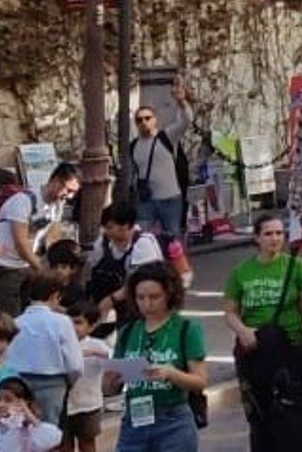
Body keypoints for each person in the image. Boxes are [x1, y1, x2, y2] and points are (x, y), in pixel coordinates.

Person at [222, 213, 302, 452]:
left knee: (292, 412)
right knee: (260, 414)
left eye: (279, 233)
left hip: (291, 346)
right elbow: (230, 312)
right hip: (256, 349)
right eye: (268, 234)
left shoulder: (296, 266)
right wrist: (243, 331)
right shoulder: (241, 271)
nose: (275, 239)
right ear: (257, 238)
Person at [107, 263, 206, 452]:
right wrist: (110, 378)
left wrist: (171, 374)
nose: (147, 304)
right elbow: (110, 387)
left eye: (154, 297)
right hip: (135, 418)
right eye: (140, 298)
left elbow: (200, 381)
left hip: (173, 420)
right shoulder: (128, 331)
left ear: (169, 294)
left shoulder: (186, 328)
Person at [0, 165, 81, 318]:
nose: (69, 196)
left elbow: (52, 237)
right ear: (55, 180)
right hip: (3, 266)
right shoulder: (23, 201)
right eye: (68, 190)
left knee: (34, 312)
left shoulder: (57, 206)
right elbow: (21, 243)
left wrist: (55, 265)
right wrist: (42, 269)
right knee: (13, 319)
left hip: (25, 266)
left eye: (74, 193)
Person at [3, 271, 83, 425]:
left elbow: (7, 358)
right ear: (55, 296)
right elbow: (75, 364)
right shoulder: (62, 322)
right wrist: (69, 381)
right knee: (47, 430)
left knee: (18, 428)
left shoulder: (16, 322)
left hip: (18, 382)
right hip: (52, 383)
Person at [84, 203, 163, 332]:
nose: (106, 231)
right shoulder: (103, 243)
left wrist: (110, 301)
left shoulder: (143, 243)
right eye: (105, 227)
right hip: (106, 307)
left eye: (110, 227)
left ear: (125, 226)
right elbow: (90, 270)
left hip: (136, 308)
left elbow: (139, 282)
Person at [128, 89, 192, 240]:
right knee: (141, 237)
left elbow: (186, 120)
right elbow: (134, 171)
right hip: (145, 201)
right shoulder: (134, 145)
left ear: (155, 120)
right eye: (139, 120)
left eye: (147, 118)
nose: (143, 122)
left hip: (170, 199)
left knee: (173, 238)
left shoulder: (166, 137)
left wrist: (181, 101)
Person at [60, 304, 110, 452]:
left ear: (92, 326)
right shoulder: (59, 345)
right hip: (63, 406)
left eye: (78, 322)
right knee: (63, 445)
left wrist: (97, 354)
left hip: (89, 405)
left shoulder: (97, 345)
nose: (72, 327)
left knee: (87, 443)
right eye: (69, 322)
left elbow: (115, 360)